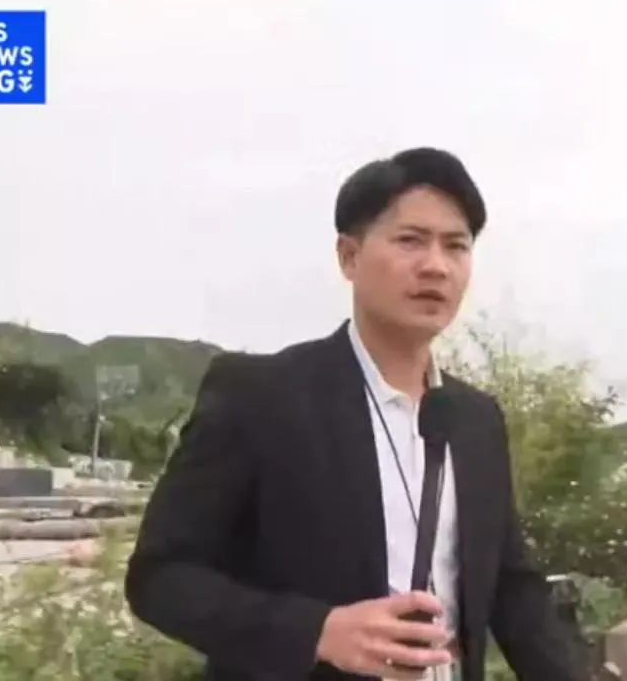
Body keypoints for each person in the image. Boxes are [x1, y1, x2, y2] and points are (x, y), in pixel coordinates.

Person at [125, 148, 587, 681]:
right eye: (410, 240)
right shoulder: (260, 397)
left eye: (456, 246)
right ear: (349, 256)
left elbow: (511, 589)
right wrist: (316, 632)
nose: (436, 265)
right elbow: (160, 576)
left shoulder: (476, 420)